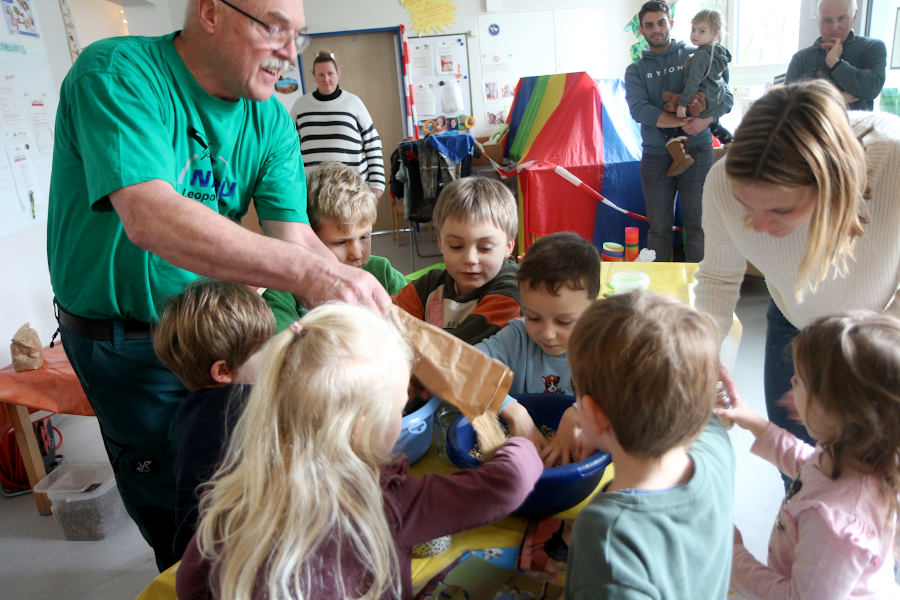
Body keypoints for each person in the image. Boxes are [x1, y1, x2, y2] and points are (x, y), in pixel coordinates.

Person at [46, 0, 389, 569]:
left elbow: (294, 235)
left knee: (239, 473)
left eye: (297, 37)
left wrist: (352, 298)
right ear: (210, 12)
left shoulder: (271, 118)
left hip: (222, 332)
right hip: (126, 339)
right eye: (274, 29)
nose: (288, 54)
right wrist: (312, 273)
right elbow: (150, 216)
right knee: (173, 496)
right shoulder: (117, 75)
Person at [175, 303, 543, 600]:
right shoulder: (381, 503)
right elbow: (507, 485)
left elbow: (190, 585)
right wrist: (523, 442)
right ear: (363, 427)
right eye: (399, 407)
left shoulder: (236, 487)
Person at [694, 79, 900, 465]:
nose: (756, 226)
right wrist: (703, 353)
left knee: (868, 467)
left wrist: (861, 359)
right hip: (793, 320)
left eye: (780, 210)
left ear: (832, 184)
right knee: (798, 462)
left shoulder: (894, 164)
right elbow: (718, 279)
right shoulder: (721, 182)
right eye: (746, 204)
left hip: (882, 333)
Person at [717, 312, 900, 599]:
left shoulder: (836, 526)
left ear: (837, 410)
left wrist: (732, 557)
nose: (790, 381)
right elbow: (808, 465)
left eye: (799, 380)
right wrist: (753, 423)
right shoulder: (855, 456)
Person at [564, 291, 734, 598]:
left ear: (593, 414)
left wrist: (601, 428)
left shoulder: (606, 536)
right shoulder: (717, 448)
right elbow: (701, 410)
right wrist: (602, 429)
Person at [152, 279, 275, 560]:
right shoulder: (234, 413)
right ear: (223, 371)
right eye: (263, 350)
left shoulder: (196, 408)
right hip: (226, 559)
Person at [474, 232, 602, 466]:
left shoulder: (601, 347)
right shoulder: (517, 337)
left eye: (564, 321)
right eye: (533, 317)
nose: (547, 334)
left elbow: (634, 389)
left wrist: (580, 411)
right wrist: (512, 410)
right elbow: (466, 365)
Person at [625, 0, 734, 262]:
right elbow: (639, 110)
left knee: (699, 227)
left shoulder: (699, 55)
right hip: (655, 156)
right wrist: (682, 120)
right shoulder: (635, 71)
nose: (656, 29)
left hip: (697, 152)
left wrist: (704, 121)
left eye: (661, 22)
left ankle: (698, 294)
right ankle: (661, 298)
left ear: (671, 24)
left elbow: (726, 98)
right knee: (659, 230)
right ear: (641, 30)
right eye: (649, 25)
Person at [260, 161, 407, 331]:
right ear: (309, 239)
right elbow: (282, 345)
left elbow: (410, 325)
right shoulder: (283, 291)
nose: (357, 254)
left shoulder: (384, 273)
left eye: (364, 237)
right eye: (341, 242)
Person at [393, 176, 521, 346]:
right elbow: (385, 321)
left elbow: (459, 351)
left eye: (485, 248)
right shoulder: (429, 286)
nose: (470, 259)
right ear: (441, 244)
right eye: (456, 246)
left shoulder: (514, 289)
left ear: (508, 246)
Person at [291, 50, 385, 193]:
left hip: (352, 190)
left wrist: (377, 183)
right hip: (313, 191)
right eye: (320, 75)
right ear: (314, 77)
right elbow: (289, 147)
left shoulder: (353, 102)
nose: (326, 79)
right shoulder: (300, 105)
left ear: (338, 73)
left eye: (330, 74)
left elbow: (373, 143)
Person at [784, 0, 886, 111]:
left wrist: (835, 62)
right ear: (818, 20)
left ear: (854, 15)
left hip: (855, 127)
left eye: (842, 18)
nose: (834, 27)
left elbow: (871, 89)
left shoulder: (872, 48)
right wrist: (843, 97)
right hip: (811, 128)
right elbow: (787, 104)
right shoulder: (801, 58)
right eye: (827, 20)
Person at [661, 9, 733, 151]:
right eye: (693, 29)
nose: (694, 34)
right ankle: (730, 141)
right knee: (714, 124)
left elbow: (692, 82)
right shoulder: (721, 53)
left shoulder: (700, 55)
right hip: (715, 101)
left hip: (700, 102)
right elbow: (726, 79)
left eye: (702, 31)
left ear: (715, 32)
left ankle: (679, 153)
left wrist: (682, 104)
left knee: (669, 117)